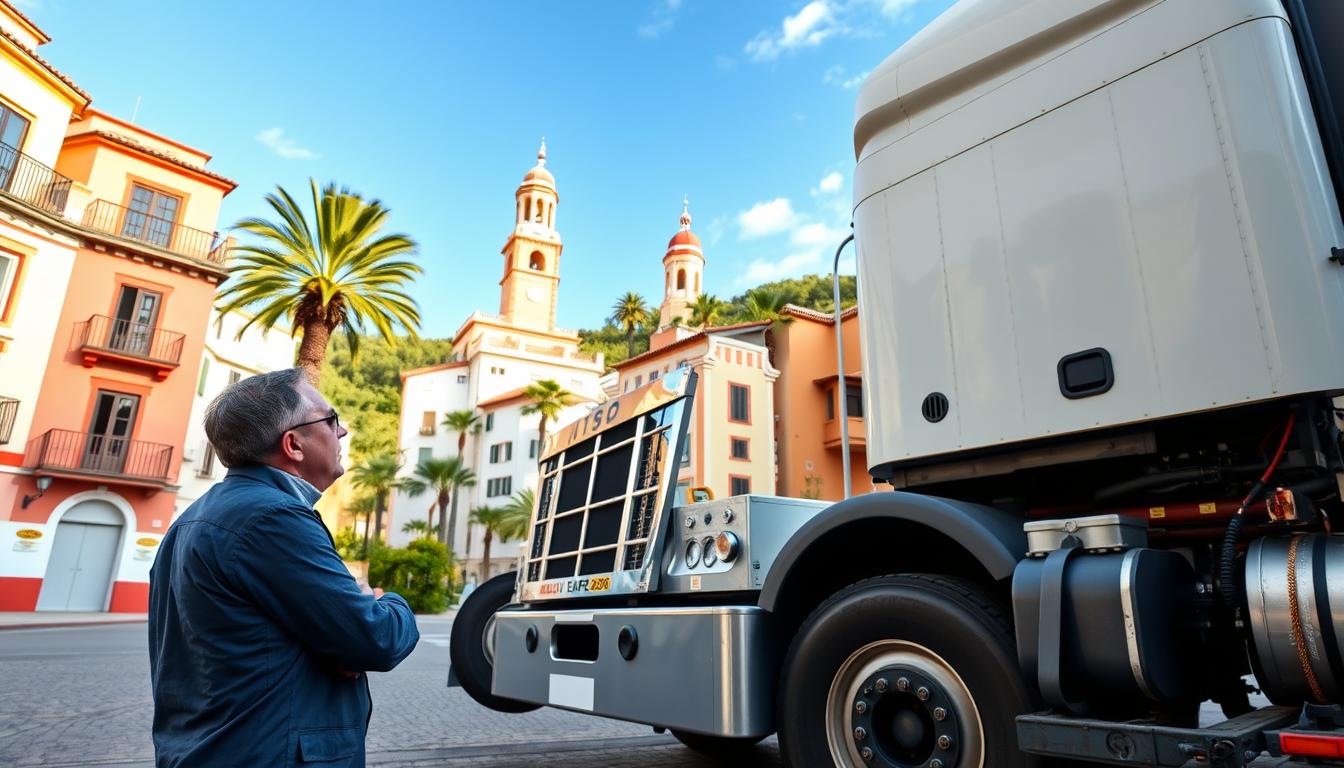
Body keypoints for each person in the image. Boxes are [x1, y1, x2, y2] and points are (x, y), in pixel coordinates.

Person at [148, 368, 419, 767]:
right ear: (293, 444)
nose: (341, 433)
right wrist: (387, 603)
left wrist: (336, 643)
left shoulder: (193, 518)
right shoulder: (273, 518)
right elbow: (373, 638)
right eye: (331, 420)